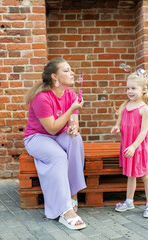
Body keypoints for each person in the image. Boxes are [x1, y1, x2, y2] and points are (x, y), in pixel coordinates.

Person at [23, 58, 87, 230]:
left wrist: (74, 127)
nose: (71, 72)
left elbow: (73, 123)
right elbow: (51, 129)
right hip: (37, 138)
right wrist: (71, 109)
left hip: (59, 135)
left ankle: (72, 194)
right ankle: (65, 210)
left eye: (71, 69)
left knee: (76, 139)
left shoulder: (71, 95)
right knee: (59, 156)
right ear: (54, 77)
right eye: (66, 70)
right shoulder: (41, 98)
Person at [111, 69, 148, 218]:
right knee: (130, 175)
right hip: (128, 147)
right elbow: (119, 122)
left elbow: (143, 131)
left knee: (145, 175)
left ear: (144, 90)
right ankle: (129, 201)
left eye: (133, 88)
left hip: (138, 147)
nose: (130, 91)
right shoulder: (125, 106)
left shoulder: (144, 109)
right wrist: (116, 127)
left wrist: (134, 146)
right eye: (128, 88)